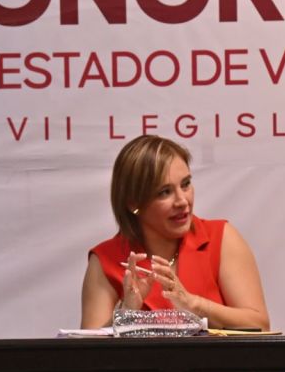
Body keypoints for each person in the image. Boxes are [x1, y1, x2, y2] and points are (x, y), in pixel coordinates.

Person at [81, 135, 269, 330]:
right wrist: (126, 313)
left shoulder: (221, 238)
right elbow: (88, 347)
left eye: (185, 184)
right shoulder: (106, 260)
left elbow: (260, 326)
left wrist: (194, 305)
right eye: (165, 192)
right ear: (133, 203)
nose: (182, 201)